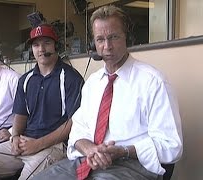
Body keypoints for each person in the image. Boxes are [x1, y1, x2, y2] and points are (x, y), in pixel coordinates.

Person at [33, 5, 183, 180]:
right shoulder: (92, 83)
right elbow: (78, 131)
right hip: (88, 160)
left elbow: (171, 145)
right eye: (100, 39)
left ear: (128, 38)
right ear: (93, 44)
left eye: (114, 37)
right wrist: (91, 149)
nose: (107, 46)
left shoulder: (153, 82)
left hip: (133, 164)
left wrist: (122, 151)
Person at [0, 24, 84, 180]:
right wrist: (15, 137)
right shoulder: (25, 79)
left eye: (46, 43)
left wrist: (38, 144)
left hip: (54, 146)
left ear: (56, 46)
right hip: (24, 142)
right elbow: (20, 114)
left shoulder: (71, 78)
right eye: (36, 45)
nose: (41, 49)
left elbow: (74, 122)